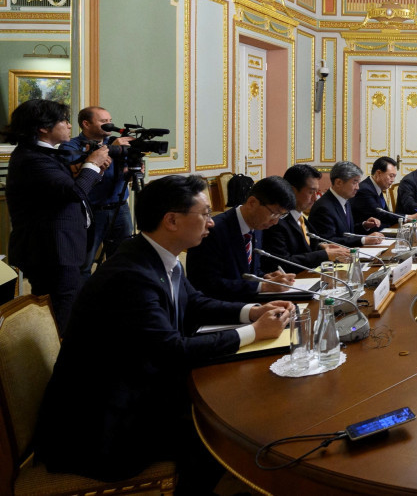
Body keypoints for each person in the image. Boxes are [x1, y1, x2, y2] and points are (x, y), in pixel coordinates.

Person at [34, 174, 293, 493]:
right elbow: (172, 350)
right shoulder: (131, 275)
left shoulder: (156, 255)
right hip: (99, 427)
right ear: (172, 220)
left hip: (135, 392)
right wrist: (254, 332)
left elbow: (194, 302)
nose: (211, 223)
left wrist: (251, 312)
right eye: (205, 214)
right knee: (219, 431)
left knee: (234, 414)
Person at [5, 98, 109, 331]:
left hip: (58, 247)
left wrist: (92, 168)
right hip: (52, 251)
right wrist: (91, 164)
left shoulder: (45, 154)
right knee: (62, 313)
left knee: (65, 307)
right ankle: (61, 360)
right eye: (63, 120)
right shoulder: (32, 159)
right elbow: (73, 193)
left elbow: (60, 191)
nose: (69, 126)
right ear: (43, 127)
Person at [185, 175, 297, 301]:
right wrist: (262, 286)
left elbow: (247, 272)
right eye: (274, 213)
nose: (275, 222)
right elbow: (207, 285)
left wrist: (265, 277)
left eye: (281, 216)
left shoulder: (257, 227)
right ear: (252, 203)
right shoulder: (213, 231)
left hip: (248, 303)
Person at [60, 105, 133, 268]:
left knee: (123, 258)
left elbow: (124, 171)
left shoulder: (117, 142)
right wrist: (112, 148)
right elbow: (77, 175)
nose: (109, 124)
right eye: (103, 121)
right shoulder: (70, 147)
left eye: (110, 121)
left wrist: (133, 169)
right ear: (86, 124)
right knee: (85, 260)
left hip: (121, 208)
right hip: (92, 211)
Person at [260, 164, 348, 272]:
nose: (315, 198)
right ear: (292, 191)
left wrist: (322, 247)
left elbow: (303, 247)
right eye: (311, 192)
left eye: (317, 192)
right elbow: (282, 263)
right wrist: (323, 255)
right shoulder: (276, 221)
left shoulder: (300, 216)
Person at [308, 160, 391, 243]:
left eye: (358, 183)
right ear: (338, 183)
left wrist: (364, 225)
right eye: (355, 182)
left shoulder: (345, 201)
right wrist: (363, 240)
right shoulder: (323, 208)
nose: (357, 188)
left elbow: (346, 232)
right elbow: (329, 241)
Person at [352, 156, 400, 230]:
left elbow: (387, 214)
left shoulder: (377, 188)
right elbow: (381, 216)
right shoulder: (365, 190)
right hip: (366, 235)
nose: (393, 180)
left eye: (394, 176)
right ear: (378, 173)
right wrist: (407, 217)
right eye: (391, 176)